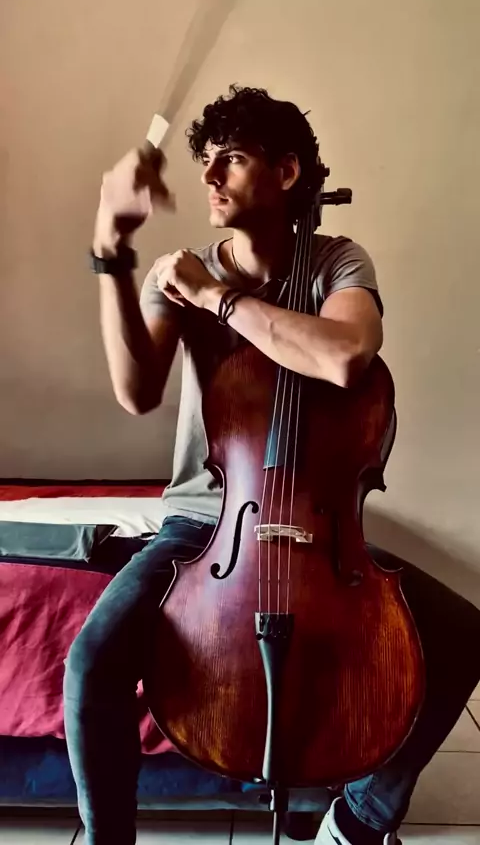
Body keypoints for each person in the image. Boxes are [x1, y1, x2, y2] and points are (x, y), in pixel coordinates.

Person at [64, 85, 480, 845]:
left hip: (319, 529)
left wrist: (220, 301)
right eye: (206, 160)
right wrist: (112, 252)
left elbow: (347, 355)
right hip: (206, 526)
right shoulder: (182, 273)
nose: (210, 175)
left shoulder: (336, 262)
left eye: (232, 158)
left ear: (287, 172)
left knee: (463, 634)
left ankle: (359, 820)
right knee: (92, 661)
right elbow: (136, 391)